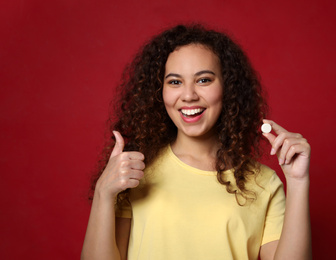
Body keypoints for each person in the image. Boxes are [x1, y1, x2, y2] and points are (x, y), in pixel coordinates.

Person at [81, 24, 312, 260]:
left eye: (203, 80)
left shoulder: (265, 183)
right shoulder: (135, 172)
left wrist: (297, 182)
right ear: (159, 92)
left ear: (228, 88)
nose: (189, 95)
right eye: (174, 82)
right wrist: (104, 192)